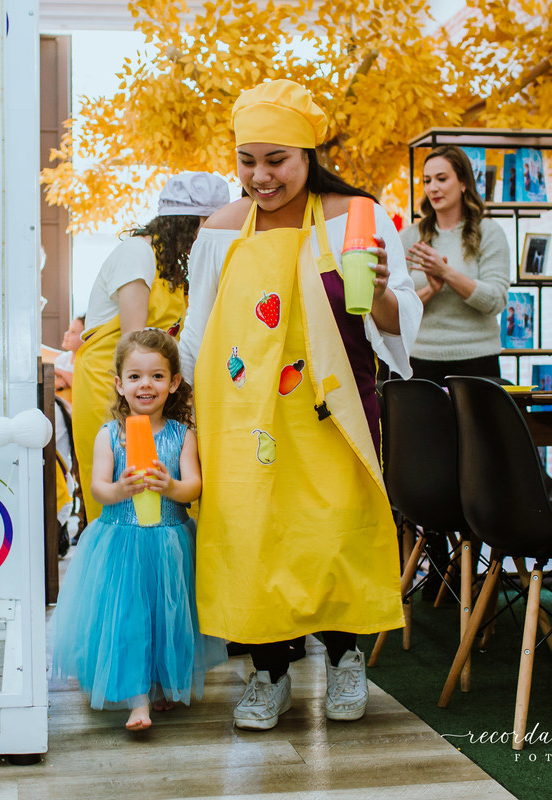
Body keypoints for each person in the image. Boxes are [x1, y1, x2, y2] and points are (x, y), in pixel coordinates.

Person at [178, 79, 420, 731]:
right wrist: (179, 404)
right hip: (243, 415)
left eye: (276, 160)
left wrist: (374, 282)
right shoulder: (221, 231)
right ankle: (270, 674)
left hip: (332, 409)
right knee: (255, 536)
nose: (260, 177)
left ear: (308, 153)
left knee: (333, 527)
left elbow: (397, 322)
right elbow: (199, 330)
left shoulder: (357, 216)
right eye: (247, 160)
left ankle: (346, 662)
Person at [52, 328, 221, 731]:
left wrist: (172, 486)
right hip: (122, 542)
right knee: (129, 619)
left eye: (157, 376)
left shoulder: (183, 435)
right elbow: (98, 487)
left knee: (167, 616)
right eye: (135, 376)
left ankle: (161, 684)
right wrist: (120, 489)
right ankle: (137, 700)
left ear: (174, 383)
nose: (146, 384)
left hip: (169, 540)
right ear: (120, 384)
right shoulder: (110, 435)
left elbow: (194, 486)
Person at [73, 172, 230, 524]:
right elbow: (135, 340)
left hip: (147, 386)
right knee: (119, 489)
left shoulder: (170, 269)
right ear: (190, 223)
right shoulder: (137, 253)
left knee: (154, 494)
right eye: (210, 226)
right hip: (113, 384)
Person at [402, 144, 511, 385]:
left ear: (463, 183)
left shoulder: (489, 233)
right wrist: (432, 289)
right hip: (420, 361)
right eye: (427, 180)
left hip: (477, 361)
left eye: (442, 178)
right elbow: (397, 308)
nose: (433, 188)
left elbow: (496, 301)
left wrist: (446, 273)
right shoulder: (410, 237)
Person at [54, 314, 86, 401]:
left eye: (73, 332)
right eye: (68, 330)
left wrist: (61, 372)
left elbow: (81, 388)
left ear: (85, 338)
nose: (66, 334)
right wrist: (55, 383)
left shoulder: (86, 361)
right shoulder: (62, 359)